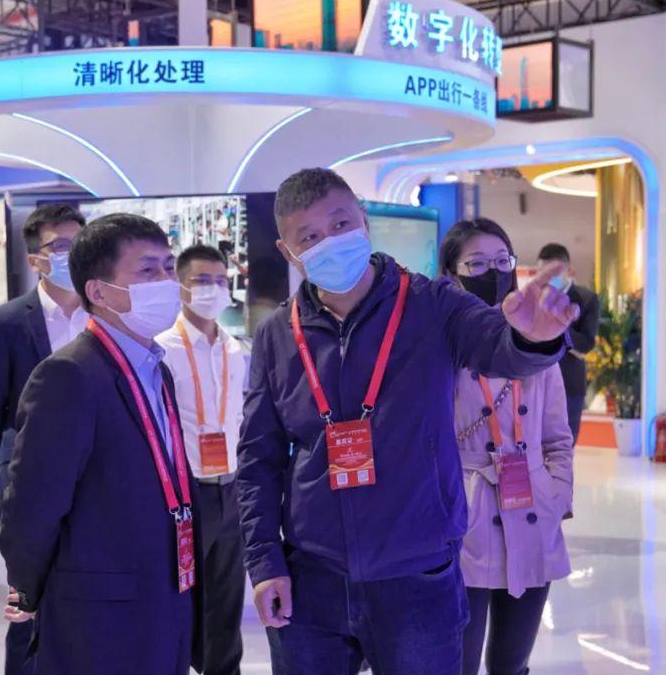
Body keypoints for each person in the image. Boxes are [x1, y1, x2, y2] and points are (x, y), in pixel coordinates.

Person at [237, 168, 578, 674]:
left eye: (340, 224)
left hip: (418, 575)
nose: (329, 243)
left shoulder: (430, 304)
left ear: (363, 221)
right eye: (309, 237)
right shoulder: (276, 336)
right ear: (289, 252)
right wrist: (266, 562)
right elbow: (258, 459)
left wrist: (532, 339)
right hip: (313, 581)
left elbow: (497, 348)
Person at [0, 213, 201, 674]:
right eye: (147, 270)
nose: (166, 281)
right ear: (99, 291)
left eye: (168, 267)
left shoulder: (156, 368)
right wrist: (28, 590)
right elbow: (32, 505)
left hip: (166, 593)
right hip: (100, 615)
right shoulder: (69, 374)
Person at [440, 219, 573, 675]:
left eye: (502, 261)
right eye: (476, 263)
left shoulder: (538, 338)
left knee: (512, 664)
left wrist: (556, 494)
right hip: (464, 516)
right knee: (458, 661)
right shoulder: (439, 344)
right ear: (450, 273)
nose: (493, 272)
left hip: (532, 510)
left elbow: (558, 437)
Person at [0, 203, 86, 675]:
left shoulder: (106, 313)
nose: (69, 254)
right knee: (27, 610)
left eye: (77, 244)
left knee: (88, 609)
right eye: (58, 245)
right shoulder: (5, 323)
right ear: (35, 257)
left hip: (98, 486)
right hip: (30, 490)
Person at [156, 244, 247, 675]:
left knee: (227, 601)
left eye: (221, 281)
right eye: (202, 280)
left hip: (231, 487)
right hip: (184, 493)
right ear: (180, 286)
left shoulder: (235, 348)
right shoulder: (162, 348)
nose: (214, 289)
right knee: (178, 599)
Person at [536, 243, 601, 441]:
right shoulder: (532, 299)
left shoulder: (586, 299)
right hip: (535, 383)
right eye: (542, 273)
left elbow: (586, 344)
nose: (546, 279)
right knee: (534, 445)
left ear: (567, 270)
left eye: (552, 273)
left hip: (569, 384)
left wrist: (556, 325)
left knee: (564, 445)